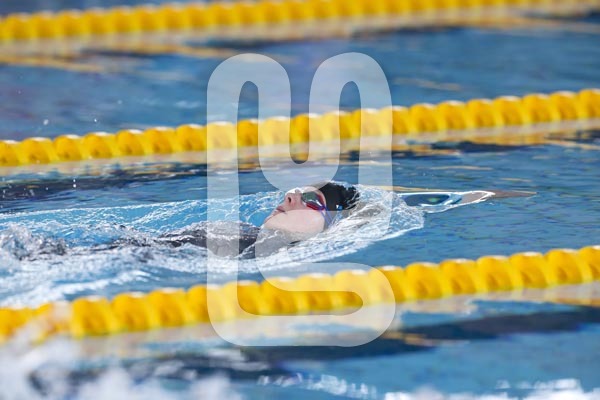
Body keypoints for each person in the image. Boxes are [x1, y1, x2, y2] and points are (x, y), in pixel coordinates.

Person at [155, 181, 360, 258]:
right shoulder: (244, 233)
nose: (289, 197)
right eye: (294, 191)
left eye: (311, 200)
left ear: (330, 228)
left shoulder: (271, 253)